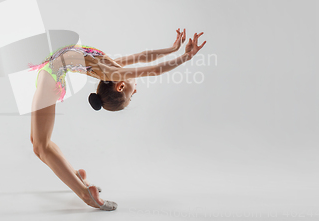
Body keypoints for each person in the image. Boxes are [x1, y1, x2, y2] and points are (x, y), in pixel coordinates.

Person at [28, 29, 206, 210]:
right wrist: (177, 52)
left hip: (51, 73)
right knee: (40, 144)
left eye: (131, 95)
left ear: (120, 86)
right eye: (132, 96)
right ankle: (84, 191)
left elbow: (148, 63)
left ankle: (82, 186)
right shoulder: (111, 68)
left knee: (40, 145)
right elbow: (147, 61)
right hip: (51, 73)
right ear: (120, 85)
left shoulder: (110, 70)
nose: (135, 90)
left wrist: (182, 54)